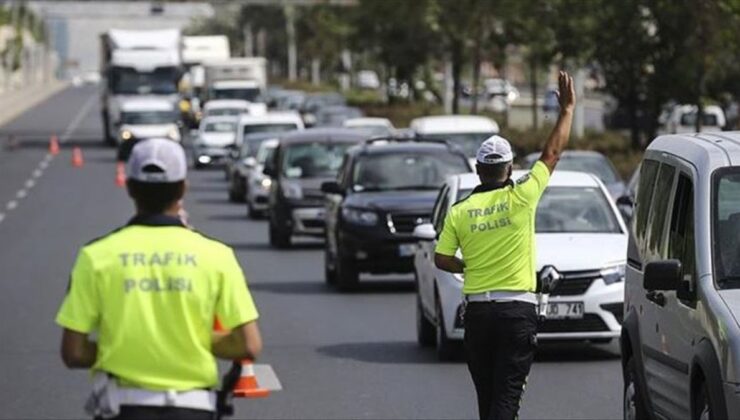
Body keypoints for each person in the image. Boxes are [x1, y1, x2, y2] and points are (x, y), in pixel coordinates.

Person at [56, 138, 262, 420]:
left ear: (129, 187)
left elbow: (73, 352)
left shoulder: (95, 257)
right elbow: (248, 345)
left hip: (122, 408)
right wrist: (189, 339)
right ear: (183, 189)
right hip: (195, 407)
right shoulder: (217, 256)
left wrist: (127, 347)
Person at [434, 71, 576, 420]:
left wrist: (468, 266)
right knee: (507, 398)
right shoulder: (523, 196)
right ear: (510, 169)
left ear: (479, 170)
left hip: (479, 315)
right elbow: (553, 153)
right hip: (516, 313)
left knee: (488, 399)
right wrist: (567, 110)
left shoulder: (460, 211)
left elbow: (441, 258)